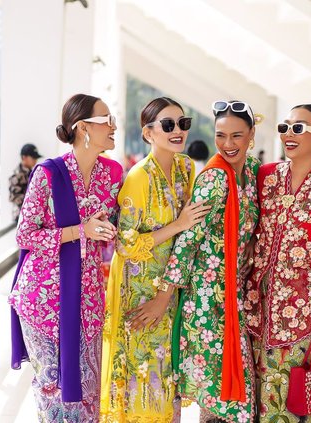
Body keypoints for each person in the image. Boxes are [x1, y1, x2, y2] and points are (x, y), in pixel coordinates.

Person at [8, 93, 123, 421]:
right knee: (54, 393)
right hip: (44, 300)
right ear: (83, 127)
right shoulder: (49, 173)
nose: (114, 126)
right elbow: (25, 235)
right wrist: (79, 230)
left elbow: (107, 226)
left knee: (88, 394)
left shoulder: (110, 175)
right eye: (107, 120)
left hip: (88, 300)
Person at [100, 97, 211, 422]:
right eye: (168, 125)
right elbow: (126, 244)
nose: (178, 131)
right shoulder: (138, 177)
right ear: (148, 133)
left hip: (172, 289)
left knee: (167, 377)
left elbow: (193, 230)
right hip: (140, 292)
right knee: (143, 376)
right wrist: (177, 224)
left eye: (183, 123)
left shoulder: (186, 167)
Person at [154, 100, 260, 422]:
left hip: (235, 294)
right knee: (220, 398)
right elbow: (188, 241)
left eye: (237, 136)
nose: (228, 144)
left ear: (252, 134)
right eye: (221, 135)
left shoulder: (252, 173)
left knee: (230, 396)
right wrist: (164, 297)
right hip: (207, 301)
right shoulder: (214, 179)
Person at [245, 104, 311, 422]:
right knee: (255, 399)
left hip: (303, 315)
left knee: (296, 402)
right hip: (255, 309)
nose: (289, 134)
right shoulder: (265, 176)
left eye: (299, 128)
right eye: (285, 127)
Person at [8, 143, 42, 221]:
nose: (35, 160)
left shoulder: (32, 172)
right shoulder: (17, 174)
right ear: (24, 157)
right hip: (21, 216)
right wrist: (34, 200)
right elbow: (13, 197)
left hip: (32, 214)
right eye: (33, 157)